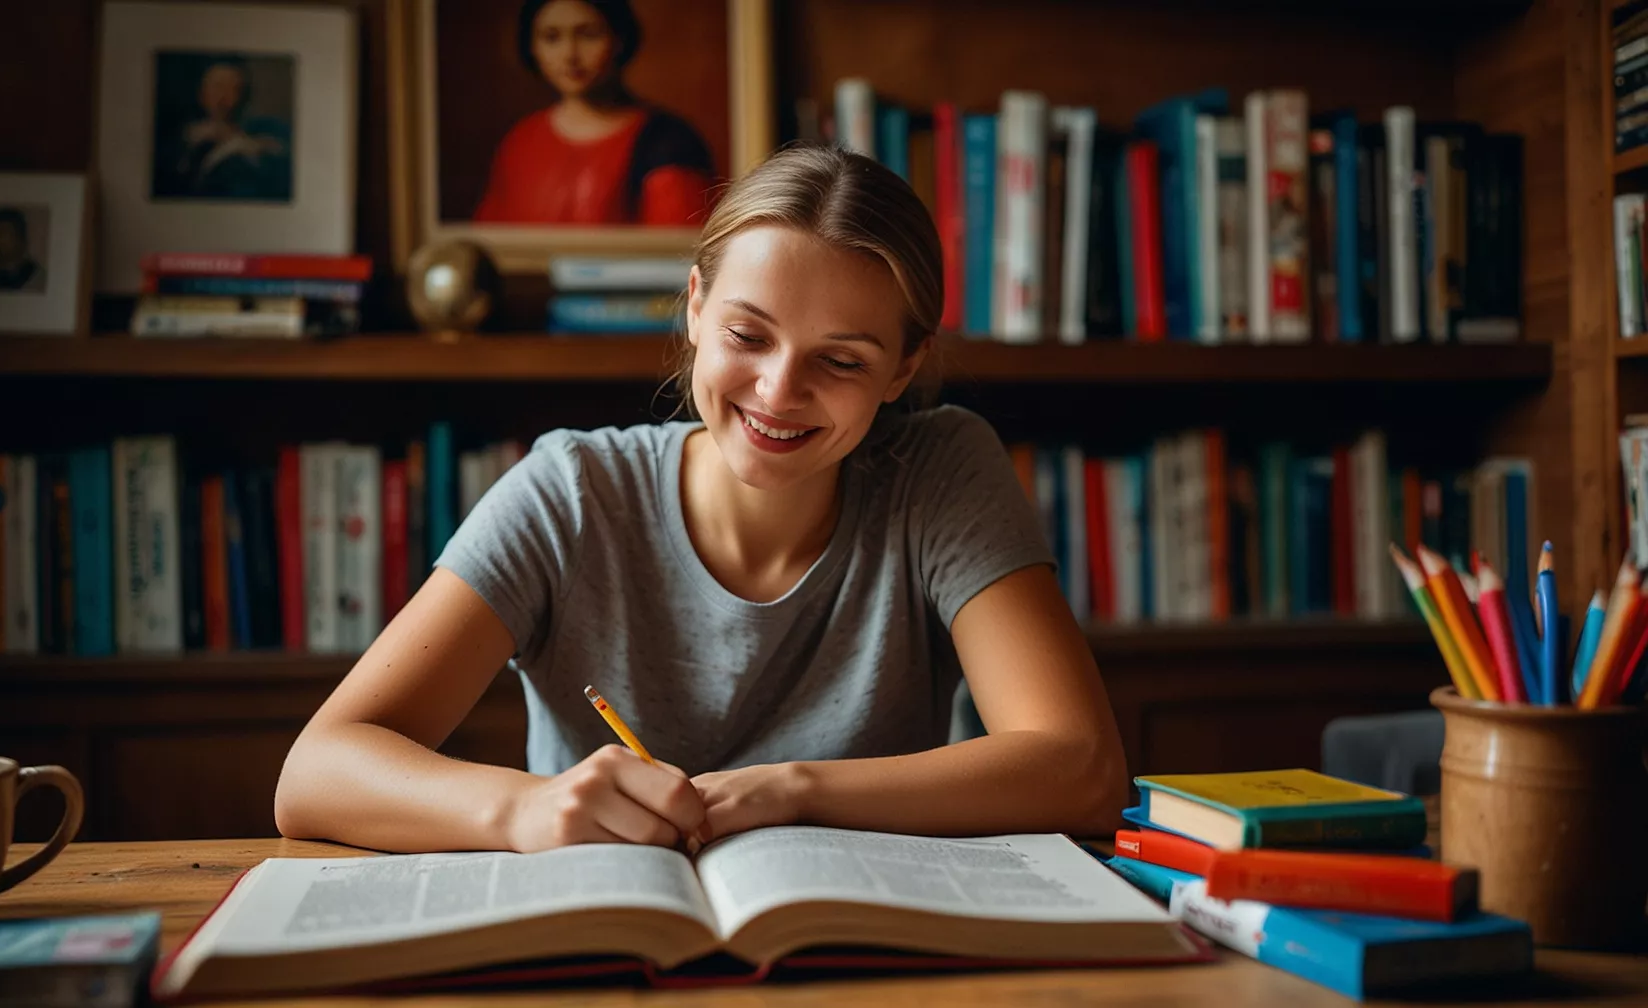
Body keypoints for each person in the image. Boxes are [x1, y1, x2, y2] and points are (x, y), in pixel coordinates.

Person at [275, 145, 1127, 854]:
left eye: (841, 360)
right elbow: (314, 774)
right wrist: (524, 810)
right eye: (747, 335)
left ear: (903, 368)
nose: (778, 391)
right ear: (694, 307)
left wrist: (793, 791)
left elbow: (1082, 769)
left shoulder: (940, 471)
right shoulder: (572, 491)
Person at [472, 0, 715, 226]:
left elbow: (676, 247)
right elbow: (493, 241)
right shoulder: (520, 141)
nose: (570, 54)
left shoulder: (668, 142)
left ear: (619, 40)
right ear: (532, 48)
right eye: (551, 37)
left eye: (588, 35)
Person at [154, 58, 291, 201]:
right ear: (202, 93)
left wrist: (231, 138)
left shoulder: (265, 128)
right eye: (217, 87)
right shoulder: (181, 136)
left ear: (245, 96)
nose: (223, 97)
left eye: (234, 89)